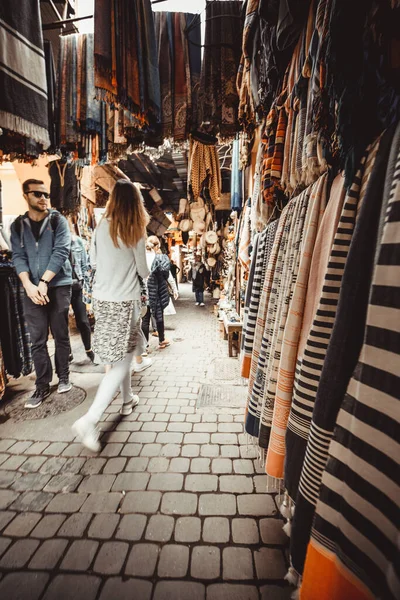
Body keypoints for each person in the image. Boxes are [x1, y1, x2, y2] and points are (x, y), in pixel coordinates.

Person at [72, 180, 150, 452]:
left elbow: (93, 262)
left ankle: (127, 400)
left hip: (103, 301)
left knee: (120, 356)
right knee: (121, 362)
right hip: (124, 302)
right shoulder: (136, 229)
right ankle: (90, 420)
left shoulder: (101, 227)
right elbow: (143, 271)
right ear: (135, 202)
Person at [10, 179, 73, 409]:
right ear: (26, 195)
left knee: (60, 334)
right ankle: (42, 384)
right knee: (37, 339)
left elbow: (61, 250)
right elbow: (18, 256)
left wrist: (45, 280)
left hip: (57, 285)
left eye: (46, 194)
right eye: (37, 194)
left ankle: (64, 376)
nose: (43, 198)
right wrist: (28, 285)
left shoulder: (58, 221)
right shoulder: (18, 226)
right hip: (32, 289)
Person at [142, 235, 178, 350]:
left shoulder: (140, 257)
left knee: (145, 318)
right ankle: (162, 340)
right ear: (158, 246)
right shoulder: (160, 257)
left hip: (144, 291)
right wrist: (174, 289)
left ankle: (144, 345)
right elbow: (168, 275)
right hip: (156, 291)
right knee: (159, 315)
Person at [69, 222, 95, 363]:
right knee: (61, 323)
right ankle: (68, 352)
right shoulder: (55, 243)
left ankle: (88, 349)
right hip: (63, 287)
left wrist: (87, 286)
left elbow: (85, 265)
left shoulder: (78, 241)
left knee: (83, 321)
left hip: (78, 286)